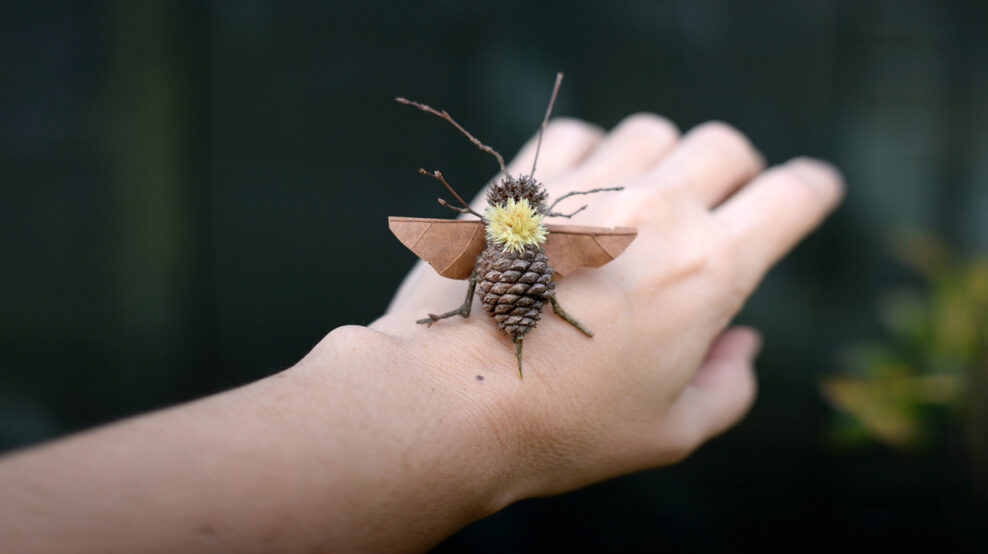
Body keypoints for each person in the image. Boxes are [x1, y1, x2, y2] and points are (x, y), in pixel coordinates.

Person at [0, 113, 844, 553]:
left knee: (514, 290)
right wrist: (456, 411)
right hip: (511, 289)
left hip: (516, 280)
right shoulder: (520, 243)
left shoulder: (522, 242)